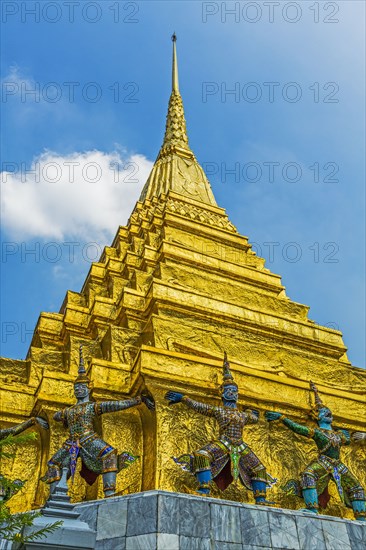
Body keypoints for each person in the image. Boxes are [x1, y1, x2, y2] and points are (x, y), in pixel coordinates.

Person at [41, 345, 154, 497]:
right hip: (72, 441)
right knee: (53, 463)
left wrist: (138, 400)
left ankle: (109, 492)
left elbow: (115, 405)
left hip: (89, 438)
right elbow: (55, 416)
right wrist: (53, 417)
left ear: (89, 388)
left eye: (81, 386)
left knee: (110, 455)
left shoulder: (92, 406)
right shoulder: (69, 410)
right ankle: (53, 497)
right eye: (76, 387)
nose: (78, 390)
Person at [165, 353, 275, 503]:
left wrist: (257, 411)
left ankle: (261, 499)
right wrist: (184, 398)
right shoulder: (219, 411)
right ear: (222, 393)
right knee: (202, 455)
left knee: (259, 468)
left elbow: (255, 419)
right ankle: (204, 489)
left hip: (240, 445)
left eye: (235, 391)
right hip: (224, 442)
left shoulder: (243, 415)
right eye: (229, 390)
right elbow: (200, 407)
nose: (233, 393)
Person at [266, 381, 365, 520]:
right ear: (317, 416)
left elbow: (349, 439)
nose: (328, 413)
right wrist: (282, 418)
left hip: (337, 463)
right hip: (323, 462)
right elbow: (297, 428)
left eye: (328, 412)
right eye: (324, 412)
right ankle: (312, 508)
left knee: (355, 485)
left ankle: (361, 516)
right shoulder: (318, 432)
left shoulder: (339, 434)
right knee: (308, 474)